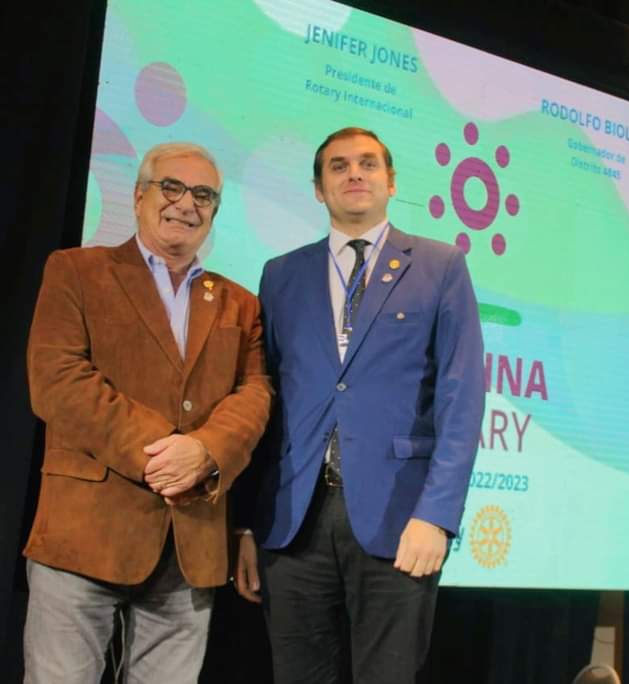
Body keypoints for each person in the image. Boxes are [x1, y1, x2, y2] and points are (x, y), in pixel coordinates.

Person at [235, 127, 485, 683]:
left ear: (391, 182)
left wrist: (437, 515)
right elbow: (263, 399)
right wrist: (247, 525)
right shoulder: (281, 274)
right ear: (317, 188)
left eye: (368, 164)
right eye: (339, 165)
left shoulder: (441, 265)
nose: (354, 174)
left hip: (400, 518)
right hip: (292, 519)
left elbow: (462, 398)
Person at [23, 142, 272, 683]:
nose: (187, 203)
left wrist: (204, 452)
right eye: (172, 187)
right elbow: (57, 381)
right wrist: (166, 455)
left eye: (203, 195)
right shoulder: (76, 270)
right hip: (83, 533)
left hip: (190, 545)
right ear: (139, 197)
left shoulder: (240, 303)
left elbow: (255, 394)